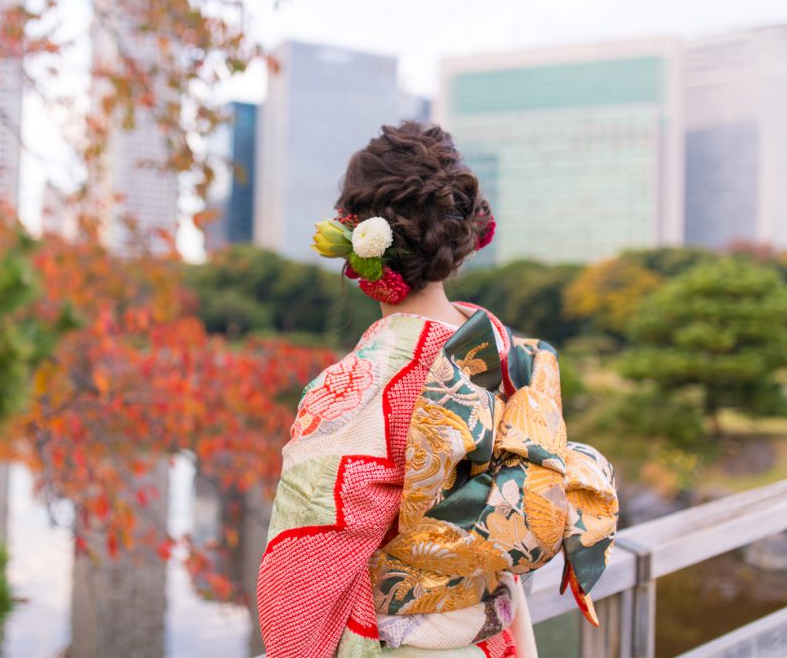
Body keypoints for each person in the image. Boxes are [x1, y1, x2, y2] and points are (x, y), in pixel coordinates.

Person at [255, 121, 619, 658]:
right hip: (495, 634)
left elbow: (303, 570)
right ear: (460, 242)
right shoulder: (501, 348)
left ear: (356, 244)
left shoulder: (357, 384)